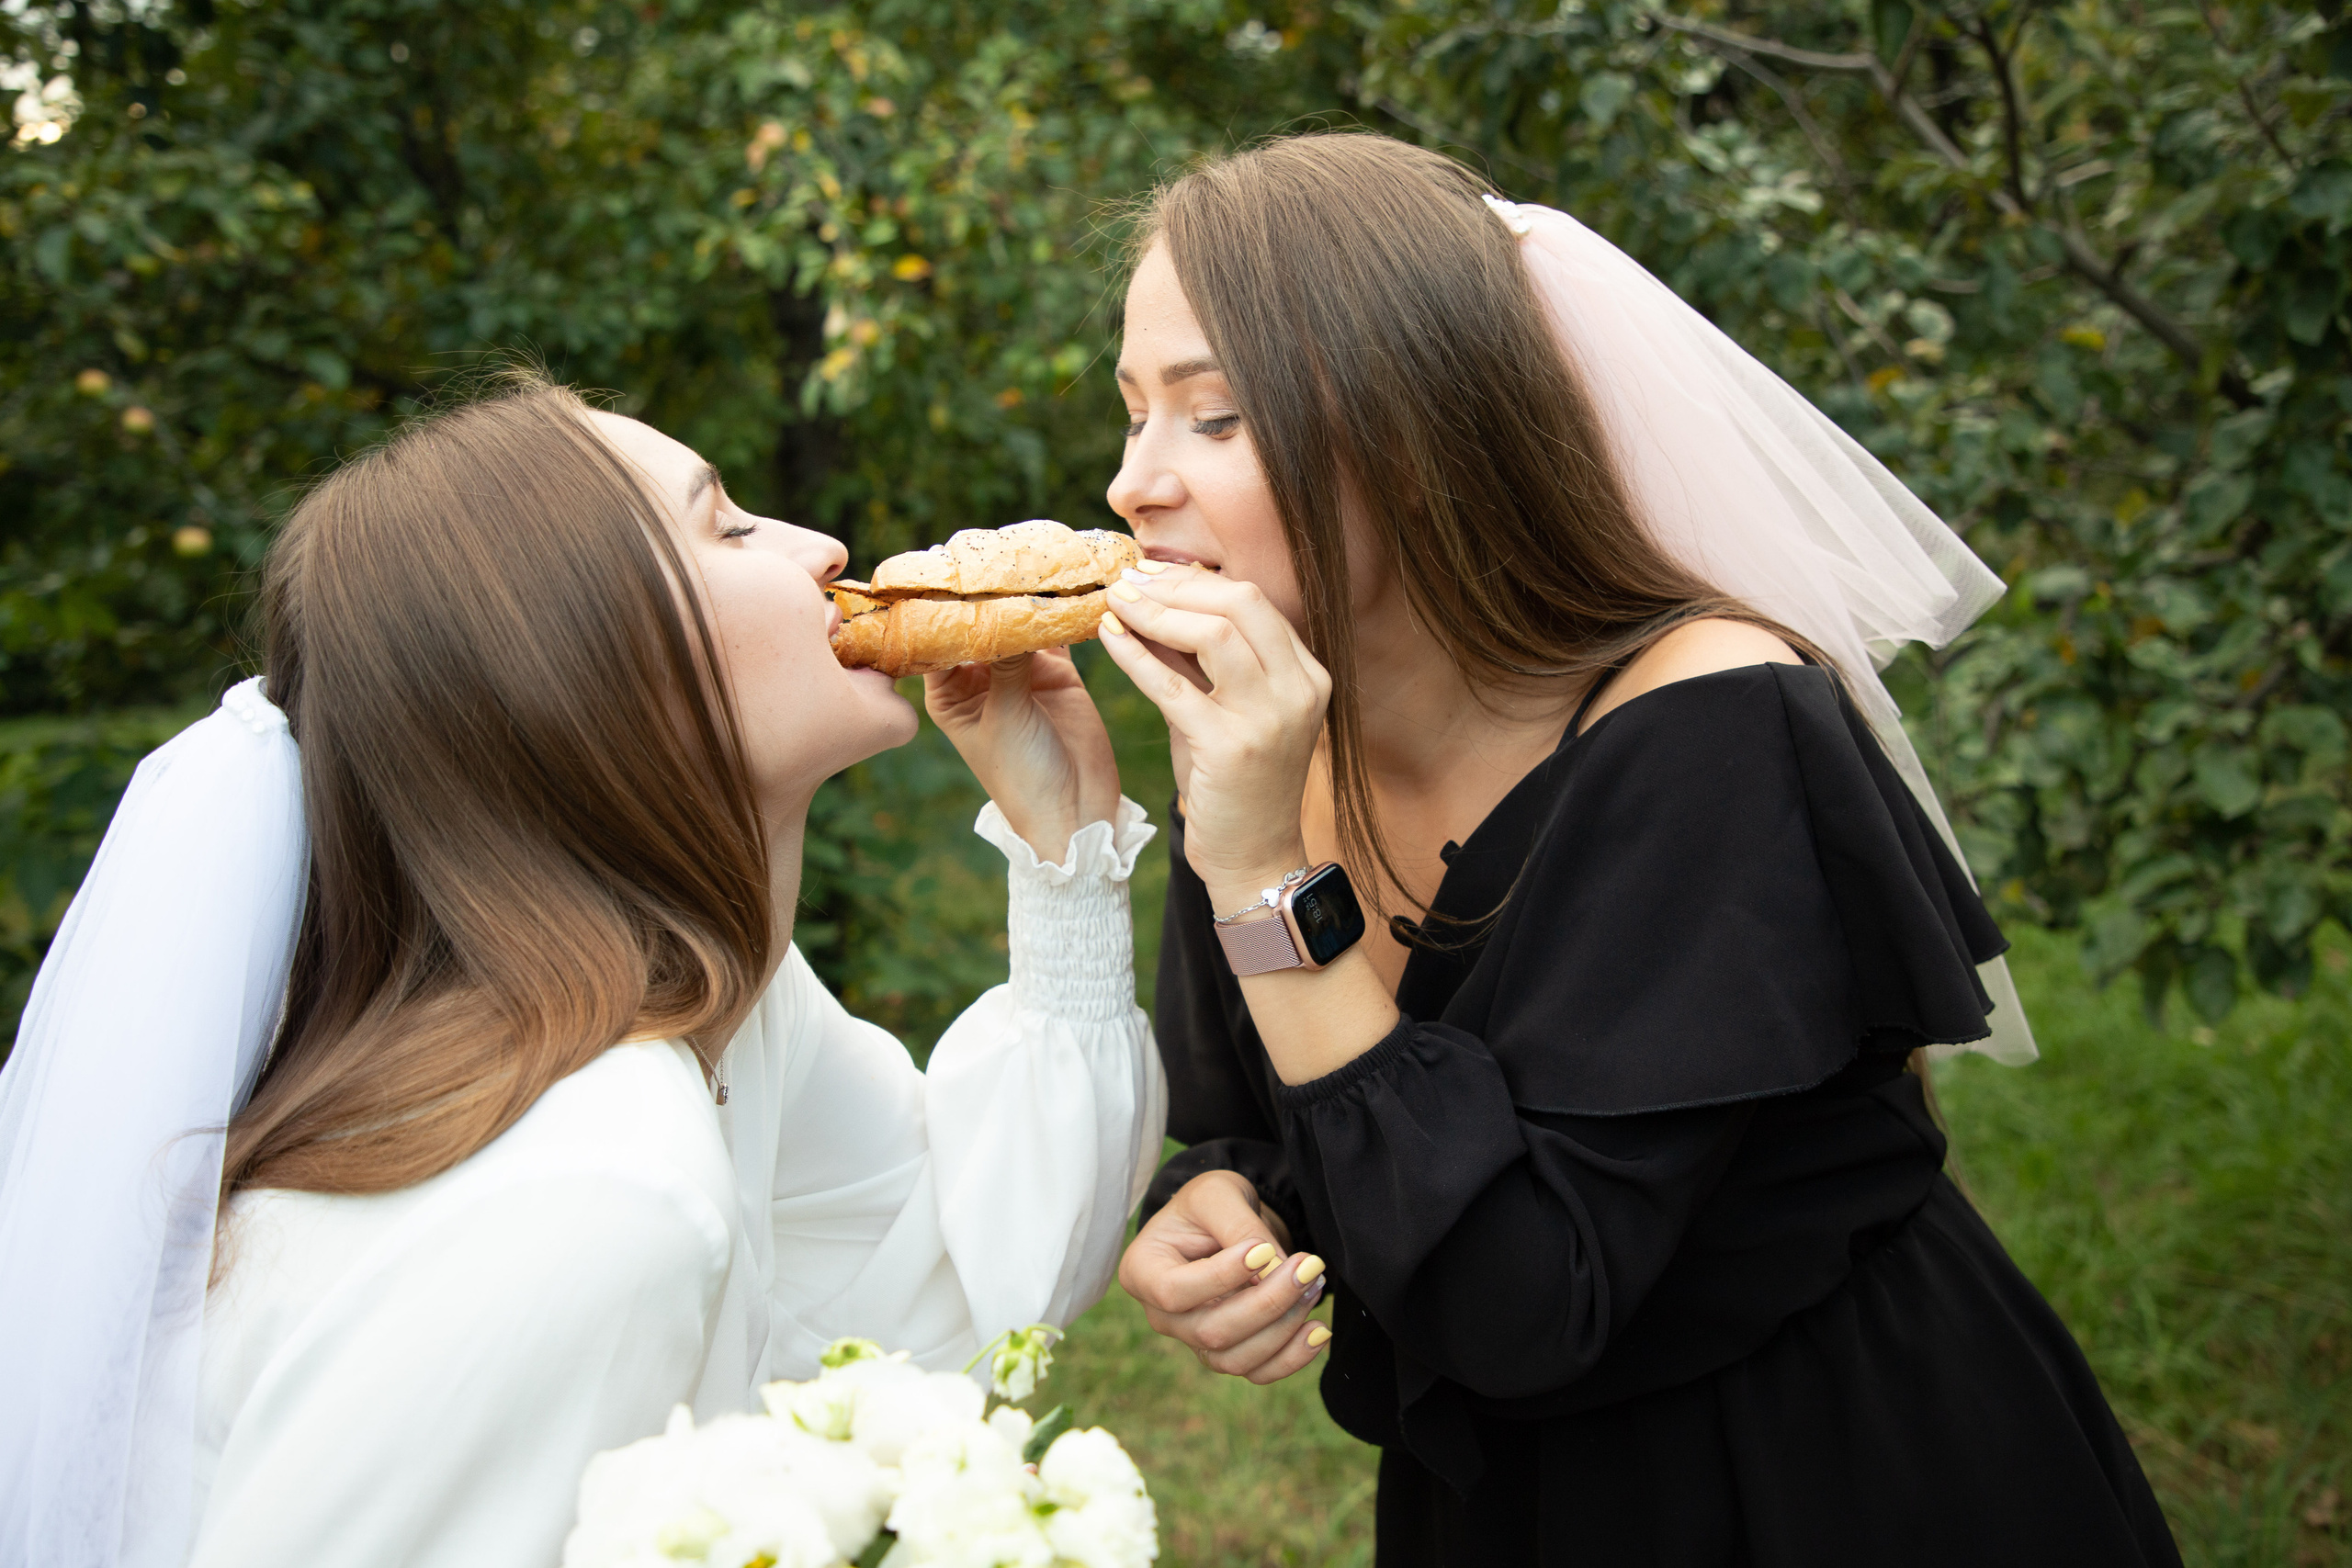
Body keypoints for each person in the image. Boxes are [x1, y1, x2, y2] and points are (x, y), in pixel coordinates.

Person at [1097, 132, 2179, 1566]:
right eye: (1131, 415)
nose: (1132, 484)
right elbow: (1255, 1118)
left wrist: (1258, 881)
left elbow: (1525, 1298)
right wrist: (1209, 1207)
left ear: (1417, 429)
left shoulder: (1714, 728)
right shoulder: (1266, 738)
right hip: (1497, 1508)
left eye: (1214, 417)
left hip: (1825, 1478)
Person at [0, 377, 1166, 1568]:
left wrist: (1064, 854)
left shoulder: (711, 1004)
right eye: (727, 525)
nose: (824, 548)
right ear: (586, 667)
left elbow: (978, 1283)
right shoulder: (594, 1188)